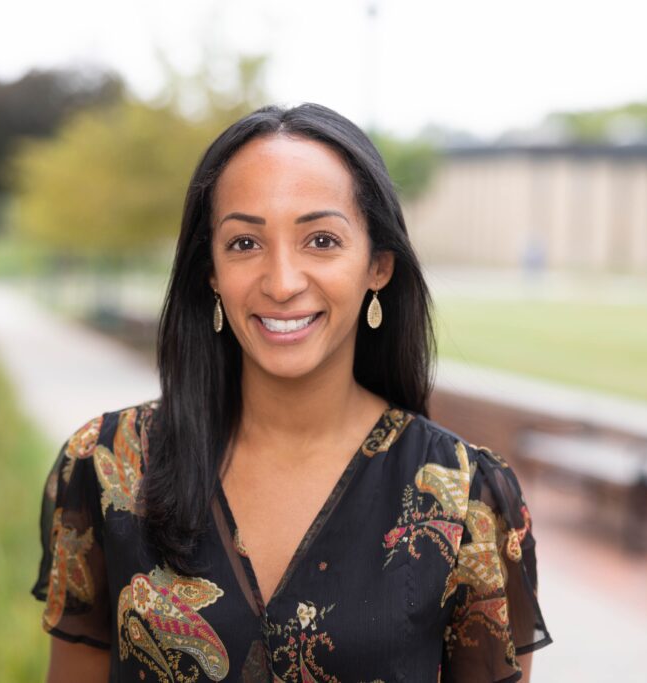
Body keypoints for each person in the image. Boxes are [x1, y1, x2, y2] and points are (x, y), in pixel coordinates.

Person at [32, 103, 552, 682]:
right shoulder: (106, 468)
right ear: (211, 272)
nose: (281, 283)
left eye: (322, 240)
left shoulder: (468, 503)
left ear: (378, 265)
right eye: (244, 244)